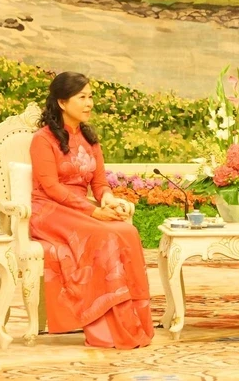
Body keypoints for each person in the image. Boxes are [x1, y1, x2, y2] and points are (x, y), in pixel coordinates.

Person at [29, 71, 154, 349]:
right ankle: (105, 329)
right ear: (62, 102)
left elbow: (98, 183)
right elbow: (50, 187)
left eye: (91, 97)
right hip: (49, 210)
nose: (89, 103)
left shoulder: (90, 139)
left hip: (80, 209)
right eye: (82, 97)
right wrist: (93, 212)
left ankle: (132, 324)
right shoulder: (43, 139)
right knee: (103, 237)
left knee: (127, 231)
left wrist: (108, 200)